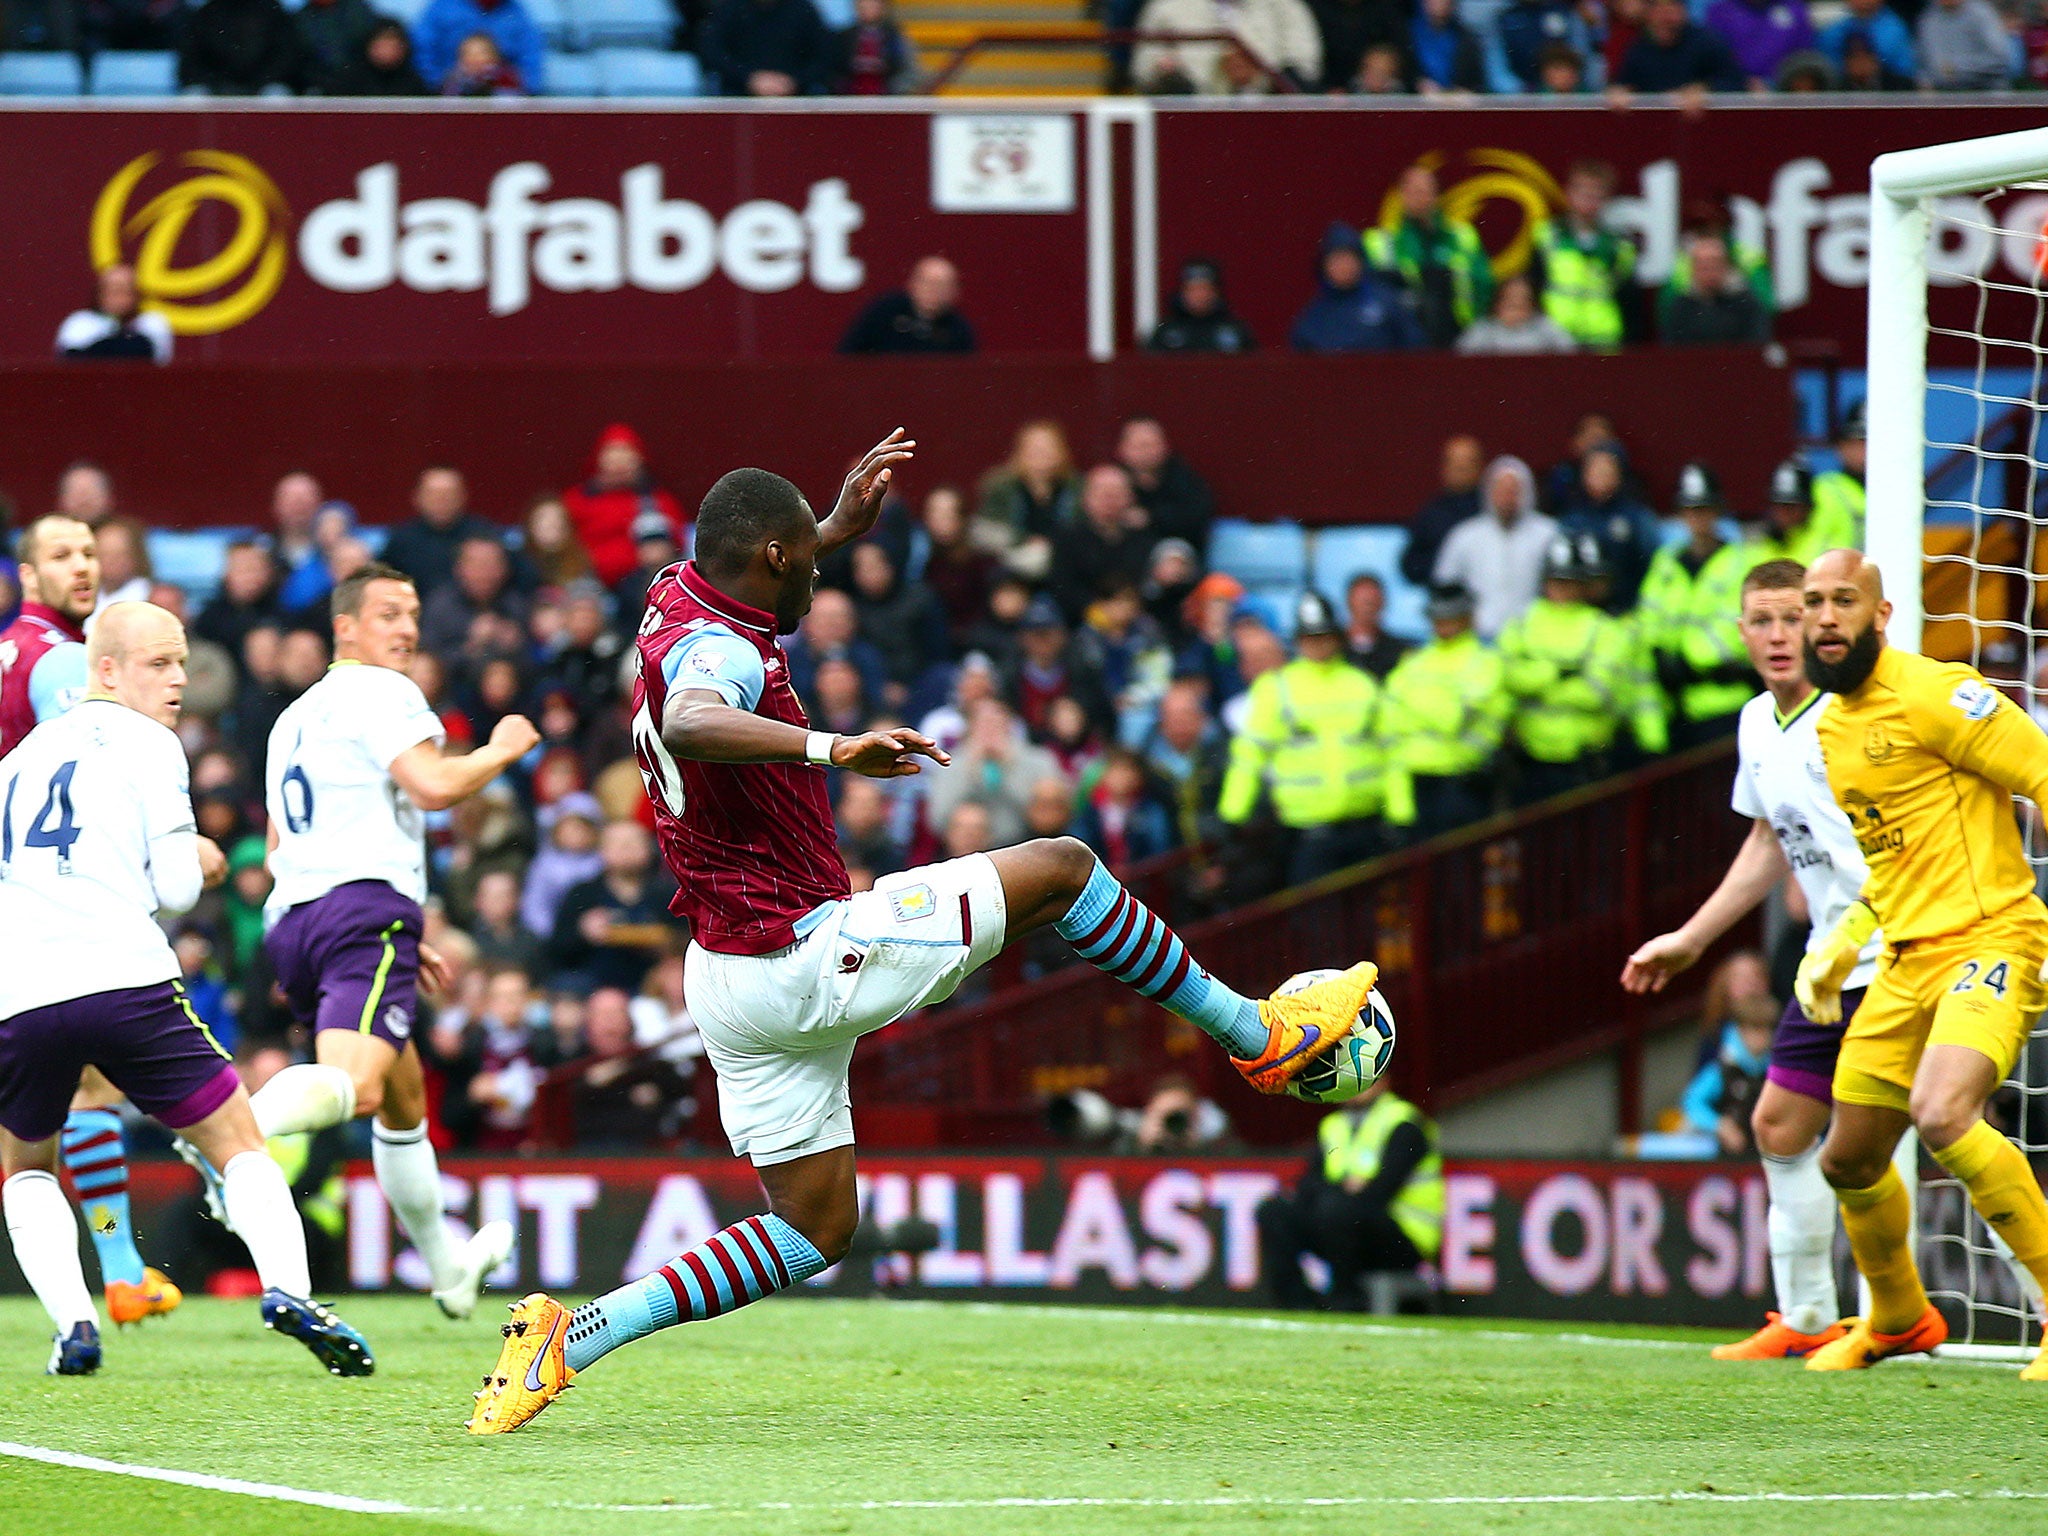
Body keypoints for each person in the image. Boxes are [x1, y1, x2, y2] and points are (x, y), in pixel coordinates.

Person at [465, 429, 1377, 1433]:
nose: (817, 575)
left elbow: (735, 592)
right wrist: (832, 746)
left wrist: (829, 524)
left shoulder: (680, 590)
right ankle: (1261, 1037)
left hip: (726, 980)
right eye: (807, 560)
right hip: (806, 955)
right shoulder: (720, 650)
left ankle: (569, 1336)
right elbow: (688, 717)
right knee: (1066, 870)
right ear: (770, 561)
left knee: (813, 1227)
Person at [0, 603, 372, 1377]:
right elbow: (170, 888)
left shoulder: (14, 764)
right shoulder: (149, 744)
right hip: (123, 978)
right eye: (159, 663)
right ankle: (291, 1293)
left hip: (24, 992)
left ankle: (74, 1327)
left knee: (27, 1165)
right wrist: (199, 861)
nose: (180, 679)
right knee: (237, 1139)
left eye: (181, 661)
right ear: (106, 670)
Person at [234, 563, 538, 1320]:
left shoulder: (293, 718)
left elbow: (278, 841)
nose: (405, 628)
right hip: (359, 910)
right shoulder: (385, 692)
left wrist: (387, 932)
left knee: (401, 1100)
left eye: (410, 613)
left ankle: (448, 1270)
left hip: (301, 921)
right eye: (386, 614)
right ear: (345, 628)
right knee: (359, 1084)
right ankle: (227, 1134)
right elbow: (433, 787)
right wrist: (503, 748)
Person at [1790, 550, 2048, 1377]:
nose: (1825, 618)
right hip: (1904, 956)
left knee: (1942, 1114)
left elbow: (2043, 771)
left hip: (1991, 937)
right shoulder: (1831, 727)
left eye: (1843, 602)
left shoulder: (1940, 693)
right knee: (1847, 1157)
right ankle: (1899, 1319)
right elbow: (1894, 862)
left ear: (1882, 614)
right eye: (1813, 604)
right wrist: (1840, 944)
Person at [1622, 559, 1874, 1357]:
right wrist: (1693, 938)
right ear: (1740, 632)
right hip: (1828, 963)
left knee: (1949, 1122)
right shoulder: (1756, 723)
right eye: (1759, 621)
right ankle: (1807, 1319)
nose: (1776, 636)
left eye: (1790, 618)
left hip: (1901, 949)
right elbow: (1767, 841)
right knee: (1778, 1124)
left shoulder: (1854, 717)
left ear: (1818, 622)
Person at [1, 515, 187, 1327]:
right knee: (72, 1097)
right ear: (28, 574)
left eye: (87, 552)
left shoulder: (13, 646)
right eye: (60, 556)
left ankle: (117, 1270)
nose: (81, 567)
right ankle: (115, 1265)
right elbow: (79, 764)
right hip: (45, 899)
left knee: (86, 1084)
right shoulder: (60, 663)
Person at [1217, 591, 1384, 886]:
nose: (1317, 644)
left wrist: (1400, 813)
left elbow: (1389, 751)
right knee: (1315, 923)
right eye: (1310, 637)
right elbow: (1249, 756)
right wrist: (1233, 813)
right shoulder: (1276, 688)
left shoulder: (1362, 685)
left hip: (1366, 827)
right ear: (1297, 641)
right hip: (1308, 832)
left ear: (1336, 637)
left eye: (1323, 635)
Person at [1256, 1078, 1442, 1310]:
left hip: (1403, 1239)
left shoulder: (1405, 1122)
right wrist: (1345, 1188)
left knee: (1339, 1208)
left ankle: (1345, 1301)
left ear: (1384, 1080)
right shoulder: (1332, 1126)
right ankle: (1298, 1305)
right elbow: (1308, 1187)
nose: (1357, 1084)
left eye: (1365, 1077)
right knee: (1275, 1211)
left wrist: (1337, 1193)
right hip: (1342, 1229)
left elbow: (1380, 1191)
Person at [1498, 535, 1636, 804]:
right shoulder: (1522, 623)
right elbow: (1506, 676)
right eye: (1557, 580)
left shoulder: (1604, 628)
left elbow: (1598, 693)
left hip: (1583, 760)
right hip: (1530, 759)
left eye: (1570, 581)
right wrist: (1559, 674)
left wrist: (1535, 687)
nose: (1562, 589)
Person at [1639, 462, 1756, 748]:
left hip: (1725, 703)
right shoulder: (1666, 562)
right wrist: (1659, 653)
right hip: (1673, 706)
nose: (1697, 518)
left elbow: (1735, 633)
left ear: (1718, 511)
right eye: (1690, 510)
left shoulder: (1742, 563)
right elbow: (1647, 621)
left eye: (1704, 509)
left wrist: (1685, 657)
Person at [1380, 584, 1507, 840]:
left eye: (1451, 616)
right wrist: (1438, 700)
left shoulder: (1486, 662)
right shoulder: (1414, 661)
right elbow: (1388, 720)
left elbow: (1453, 718)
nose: (1443, 623)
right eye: (1438, 617)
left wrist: (1412, 698)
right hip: (1415, 783)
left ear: (1469, 617)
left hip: (1463, 782)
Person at [1366, 164, 1494, 348]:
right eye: (1414, 191)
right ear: (1401, 195)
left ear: (1436, 195)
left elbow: (1483, 283)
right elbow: (1376, 295)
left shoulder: (1462, 237)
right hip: (1403, 342)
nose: (1421, 197)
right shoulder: (1382, 243)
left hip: (1459, 338)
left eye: (1426, 191)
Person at [1431, 454, 1556, 641]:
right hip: (1480, 635)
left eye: (1514, 491)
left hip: (1532, 636)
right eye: (1501, 490)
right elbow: (1445, 582)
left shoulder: (1548, 533)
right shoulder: (1465, 535)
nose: (1507, 497)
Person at [1527, 160, 1634, 351]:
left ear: (1608, 199)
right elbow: (1533, 285)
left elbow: (1628, 299)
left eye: (1597, 195)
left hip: (1604, 340)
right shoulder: (1549, 235)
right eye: (1583, 193)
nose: (1589, 200)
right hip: (1555, 339)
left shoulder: (1620, 246)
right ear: (1569, 194)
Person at [1290, 223, 1427, 354]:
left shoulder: (1388, 303)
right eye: (1336, 260)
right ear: (1324, 266)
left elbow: (1416, 348)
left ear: (1361, 261)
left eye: (1349, 258)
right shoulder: (1314, 315)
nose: (1344, 266)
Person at [1131, 0, 1322, 92]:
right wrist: (1167, 75)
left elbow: (1305, 66)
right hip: (1192, 124)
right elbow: (1144, 68)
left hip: (1270, 122)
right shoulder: (1167, 7)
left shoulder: (1285, 7)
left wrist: (1260, 78)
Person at [1556, 444, 1659, 614]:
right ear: (1584, 474)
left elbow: (1652, 566)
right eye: (1595, 469)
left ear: (1619, 474)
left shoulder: (1636, 517)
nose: (1601, 475)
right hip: (1579, 615)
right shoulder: (1572, 519)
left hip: (1626, 610)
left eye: (1607, 469)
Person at [381, 465, 500, 599]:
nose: (441, 500)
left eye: (449, 493)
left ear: (463, 496)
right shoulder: (401, 539)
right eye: (434, 493)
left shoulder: (484, 534)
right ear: (417, 497)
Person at [838, 256, 975, 355]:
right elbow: (848, 358)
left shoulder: (958, 330)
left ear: (954, 291)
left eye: (941, 285)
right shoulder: (885, 313)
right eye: (927, 282)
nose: (933, 290)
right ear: (912, 284)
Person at [1115, 417, 1215, 550]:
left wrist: (1150, 518)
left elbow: (1197, 516)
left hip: (1179, 553)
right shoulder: (1111, 481)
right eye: (1139, 446)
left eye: (1151, 445)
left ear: (1164, 446)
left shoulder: (1183, 478)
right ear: (1122, 449)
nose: (1146, 452)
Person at [1401, 434, 1484, 589]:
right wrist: (1446, 562)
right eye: (1456, 463)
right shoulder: (1431, 514)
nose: (1462, 469)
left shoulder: (1493, 512)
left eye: (1468, 462)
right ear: (1444, 468)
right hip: (1447, 604)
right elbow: (1411, 568)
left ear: (1481, 467)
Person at [1662, 233, 1771, 347]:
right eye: (1703, 267)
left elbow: (1756, 345)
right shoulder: (1681, 306)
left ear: (1725, 266)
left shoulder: (1746, 304)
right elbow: (1671, 347)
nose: (1709, 272)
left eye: (1713, 265)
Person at [1613, 0, 1744, 93]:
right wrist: (1620, 92)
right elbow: (1624, 84)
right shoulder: (1639, 49)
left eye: (1670, 11)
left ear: (1683, 12)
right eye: (1658, 12)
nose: (1664, 19)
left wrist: (1705, 89)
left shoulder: (1707, 42)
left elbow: (1735, 81)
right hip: (1658, 126)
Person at [701, 0, 830, 94]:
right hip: (738, 93)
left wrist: (794, 81)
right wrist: (749, 78)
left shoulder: (803, 9)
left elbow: (826, 54)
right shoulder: (729, 9)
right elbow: (711, 50)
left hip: (797, 94)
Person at [413, 0, 543, 93]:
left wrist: (520, 84)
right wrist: (437, 83)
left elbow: (531, 59)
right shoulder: (442, 7)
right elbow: (423, 51)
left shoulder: (516, 11)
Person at [55, 263, 172, 364]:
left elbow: (150, 358)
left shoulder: (152, 322)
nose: (117, 296)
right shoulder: (80, 322)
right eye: (111, 289)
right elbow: (71, 362)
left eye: (123, 289)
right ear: (99, 293)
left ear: (136, 293)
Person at [179, 0, 302, 94]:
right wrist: (217, 84)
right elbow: (192, 60)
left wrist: (259, 83)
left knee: (277, 96)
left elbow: (286, 56)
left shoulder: (273, 12)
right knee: (193, 97)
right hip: (214, 88)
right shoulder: (207, 13)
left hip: (266, 86)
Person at [1145, 257, 1256, 353]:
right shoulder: (1165, 332)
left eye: (1204, 289)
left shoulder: (1235, 331)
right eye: (1192, 289)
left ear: (1216, 292)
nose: (1199, 295)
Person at [1453, 274, 1576, 355]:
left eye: (1522, 300)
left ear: (1532, 304)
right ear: (1497, 303)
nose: (1516, 304)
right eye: (1510, 300)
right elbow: (1461, 358)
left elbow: (1571, 355)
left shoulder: (1545, 327)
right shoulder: (1484, 329)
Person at [1810, 400, 1866, 552]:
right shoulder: (1824, 488)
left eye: (1870, 442)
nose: (1865, 451)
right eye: (1858, 442)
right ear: (1841, 446)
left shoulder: (1895, 491)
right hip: (1832, 571)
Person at [1916, 0, 2011, 88]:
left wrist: (1956, 67)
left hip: (1986, 88)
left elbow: (2000, 59)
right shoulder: (1928, 19)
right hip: (1943, 92)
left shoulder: (1981, 15)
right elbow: (1924, 63)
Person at [326, 16, 430, 92]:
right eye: (382, 43)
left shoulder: (415, 84)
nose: (387, 50)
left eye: (393, 45)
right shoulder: (346, 83)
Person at [829, 0, 914, 92]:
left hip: (886, 94)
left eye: (873, 4)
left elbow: (905, 67)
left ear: (882, 7)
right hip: (850, 94)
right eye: (864, 4)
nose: (868, 8)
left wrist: (884, 68)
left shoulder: (894, 36)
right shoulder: (843, 37)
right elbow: (833, 67)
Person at [1819, 0, 1914, 81]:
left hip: (1891, 89)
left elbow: (1903, 69)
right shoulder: (1835, 29)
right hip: (1845, 87)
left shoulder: (1895, 27)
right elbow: (1827, 60)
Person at [1342, 572, 1407, 679]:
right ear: (1348, 603)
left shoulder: (1399, 653)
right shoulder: (1333, 649)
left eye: (1372, 602)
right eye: (1363, 601)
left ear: (1383, 604)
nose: (1368, 608)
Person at [440, 29, 523, 92]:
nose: (474, 58)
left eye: (480, 53)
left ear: (493, 57)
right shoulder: (454, 80)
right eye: (469, 53)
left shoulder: (506, 78)